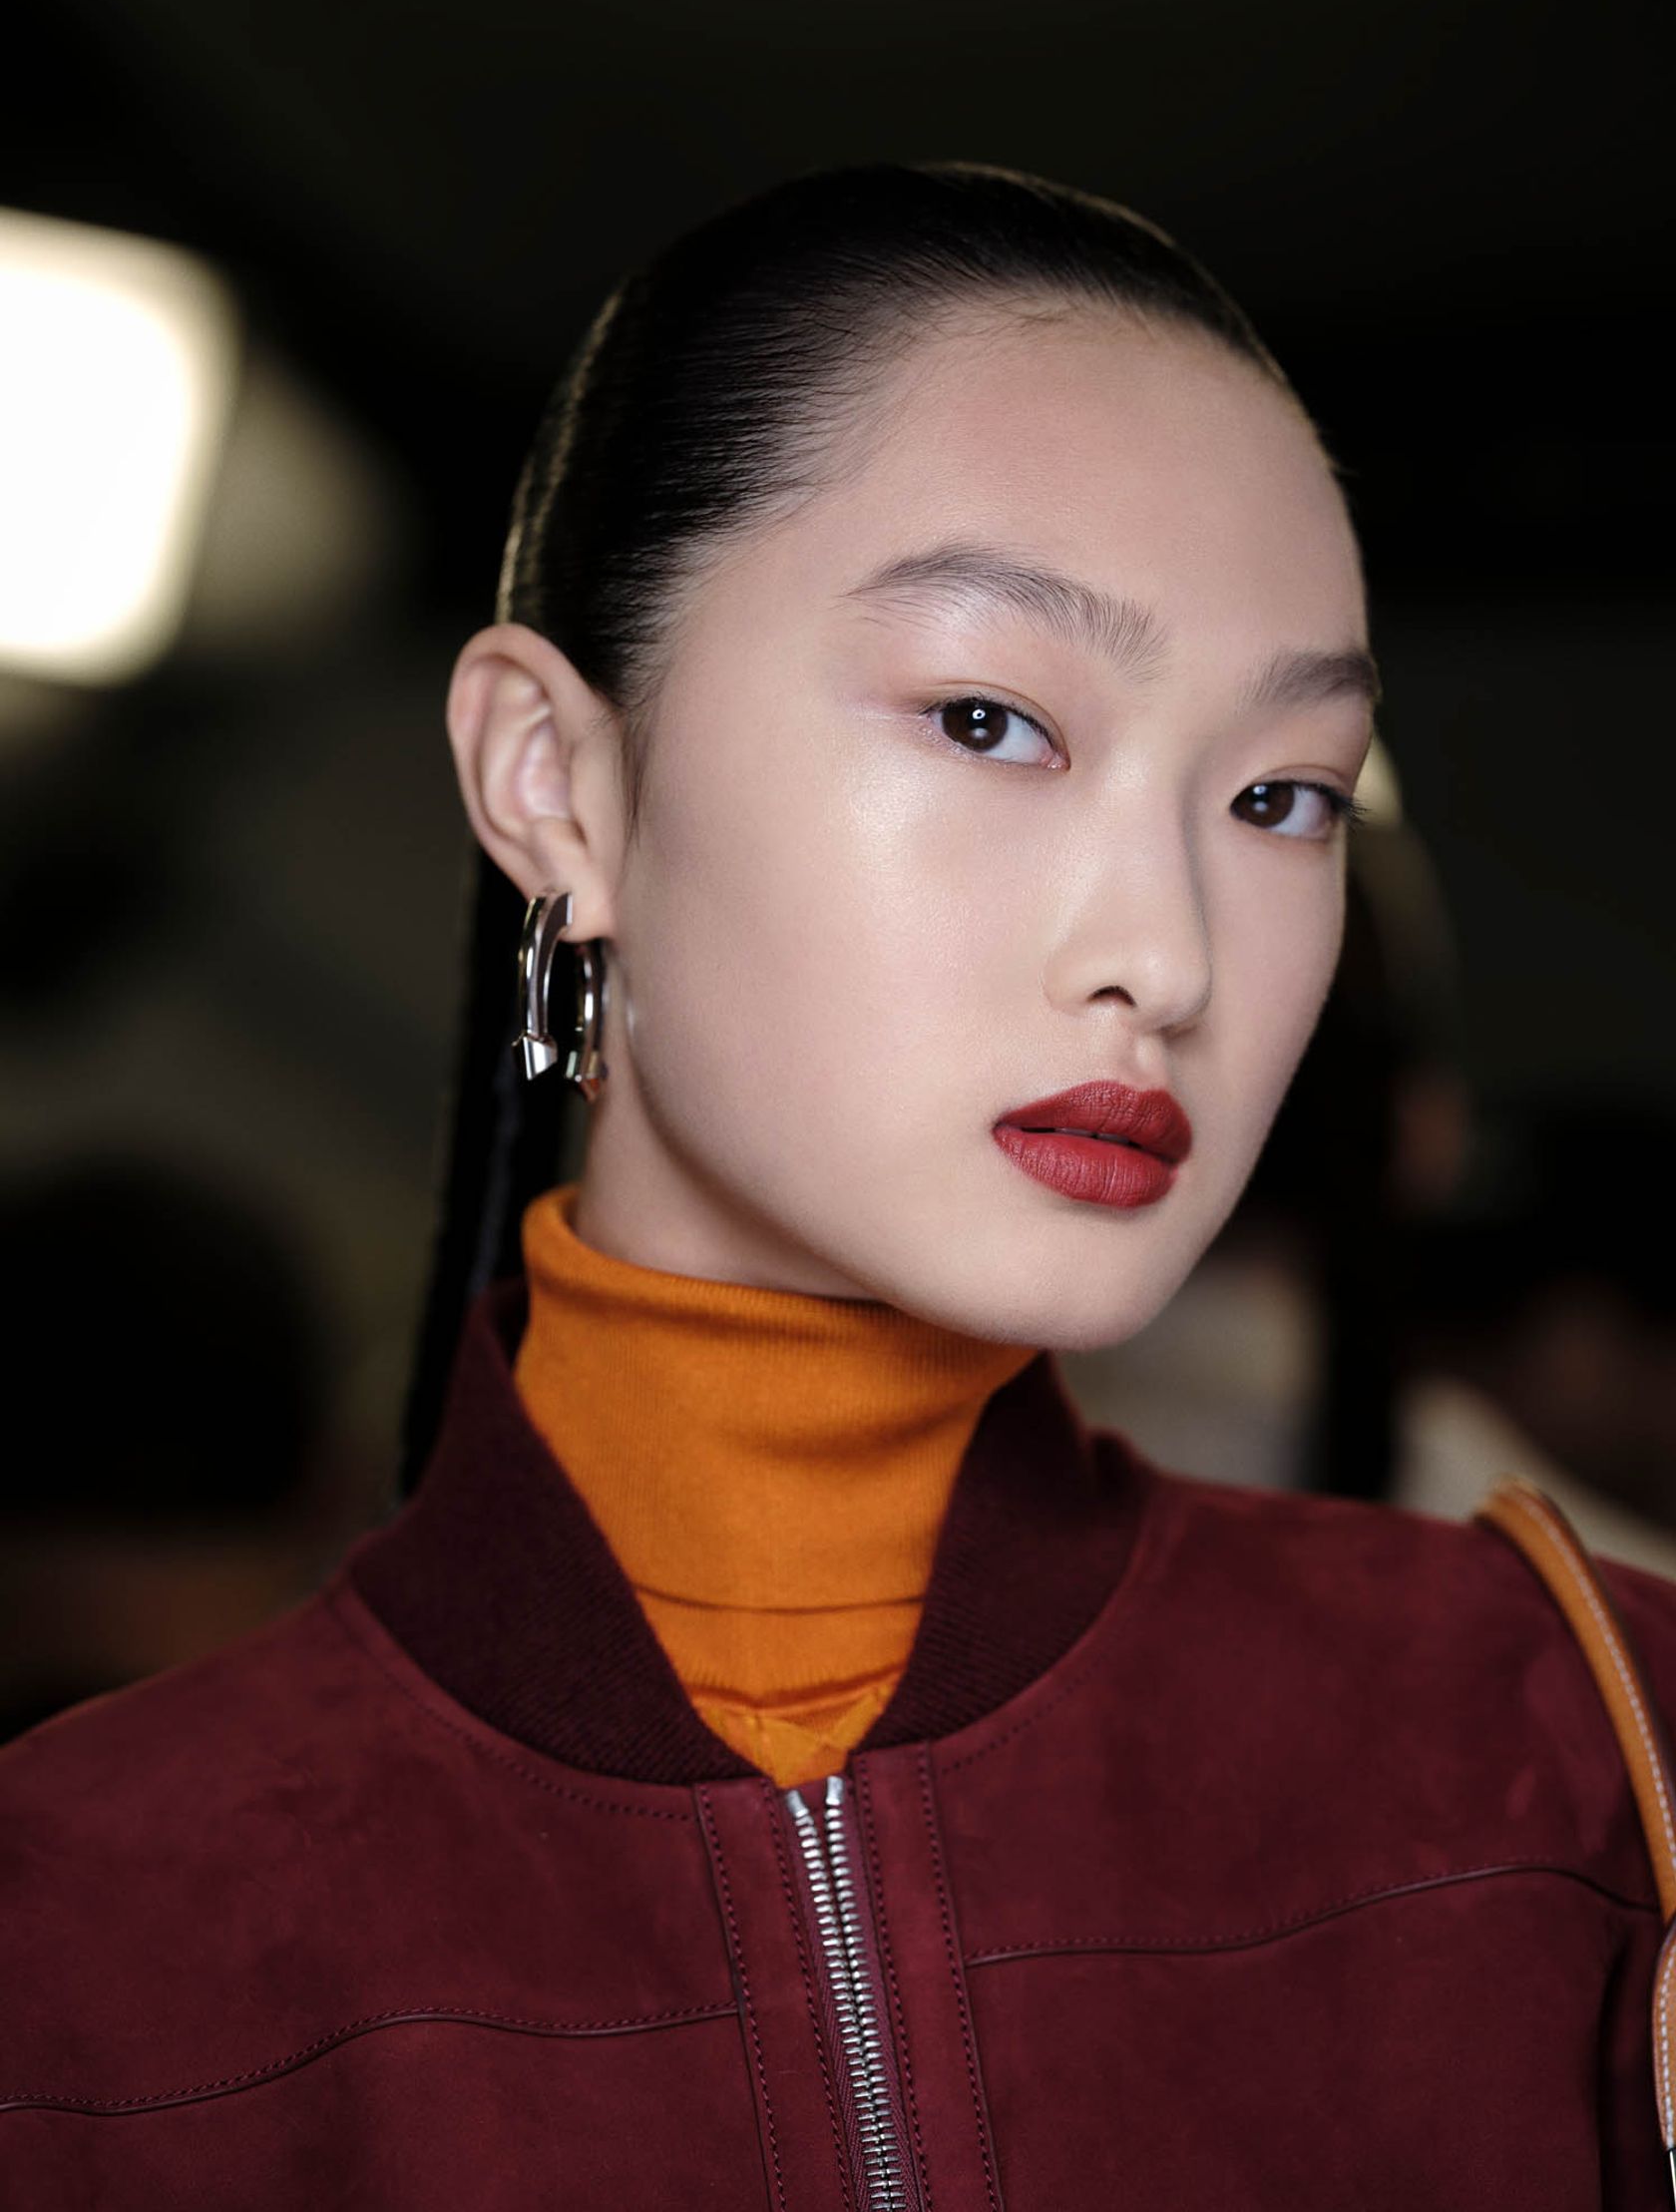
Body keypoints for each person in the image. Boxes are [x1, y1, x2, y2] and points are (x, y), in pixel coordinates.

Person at [3, 161, 1672, 2208]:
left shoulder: (1589, 1765)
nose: (1167, 951)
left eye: (1279, 794)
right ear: (554, 780)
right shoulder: (75, 1951)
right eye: (989, 718)